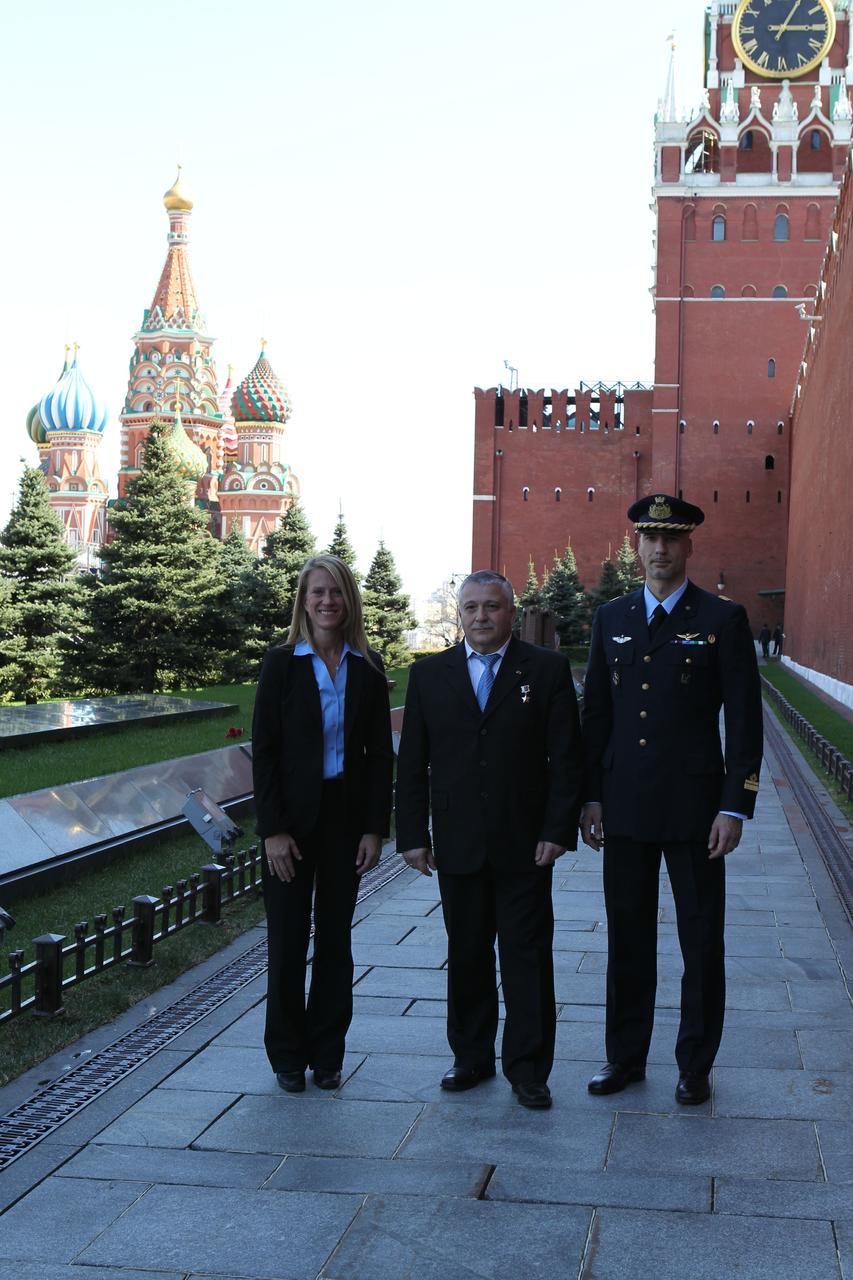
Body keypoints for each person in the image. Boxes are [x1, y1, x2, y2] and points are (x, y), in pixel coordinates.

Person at [581, 495, 763, 1106]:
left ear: (688, 548)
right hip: (626, 806)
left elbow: (743, 721)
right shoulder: (612, 617)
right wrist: (591, 797)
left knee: (700, 940)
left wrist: (734, 805)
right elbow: (597, 716)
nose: (659, 549)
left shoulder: (721, 618)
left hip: (695, 811)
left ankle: (694, 1064)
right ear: (636, 547)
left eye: (671, 539)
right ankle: (625, 1057)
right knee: (627, 939)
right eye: (649, 539)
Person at [395, 570, 583, 1109]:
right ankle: (470, 1057)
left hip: (525, 843)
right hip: (457, 841)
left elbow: (566, 756)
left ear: (511, 611)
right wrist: (412, 834)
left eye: (493, 607)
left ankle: (528, 1068)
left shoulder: (544, 670)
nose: (482, 616)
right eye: (472, 607)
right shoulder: (430, 674)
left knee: (526, 956)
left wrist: (557, 830)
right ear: (460, 613)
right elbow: (413, 763)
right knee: (468, 953)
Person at [252, 554, 393, 1094]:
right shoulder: (282, 664)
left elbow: (380, 755)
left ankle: (328, 1053)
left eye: (336, 592)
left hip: (345, 821)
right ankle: (287, 1054)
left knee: (335, 941)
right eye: (317, 593)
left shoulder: (367, 666)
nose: (327, 602)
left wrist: (374, 828)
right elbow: (263, 753)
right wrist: (273, 830)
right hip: (291, 822)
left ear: (348, 600)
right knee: (287, 941)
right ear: (304, 601)